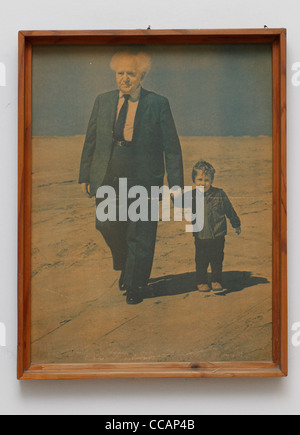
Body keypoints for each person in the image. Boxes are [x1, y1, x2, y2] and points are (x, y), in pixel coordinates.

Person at [79, 50, 184, 305]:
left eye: (131, 73)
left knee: (140, 230)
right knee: (105, 222)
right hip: (108, 173)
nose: (125, 78)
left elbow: (171, 146)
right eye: (120, 73)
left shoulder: (158, 103)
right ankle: (126, 263)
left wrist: (176, 185)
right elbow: (91, 140)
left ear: (141, 76)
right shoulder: (103, 101)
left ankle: (136, 284)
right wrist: (85, 175)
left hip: (144, 176)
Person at [191, 160, 241, 293]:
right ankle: (201, 281)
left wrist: (236, 224)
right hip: (200, 235)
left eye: (207, 180)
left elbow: (229, 210)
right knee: (201, 260)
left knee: (217, 259)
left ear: (212, 179)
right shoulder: (191, 196)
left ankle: (216, 280)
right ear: (194, 180)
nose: (203, 183)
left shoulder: (220, 194)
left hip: (218, 234)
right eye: (200, 179)